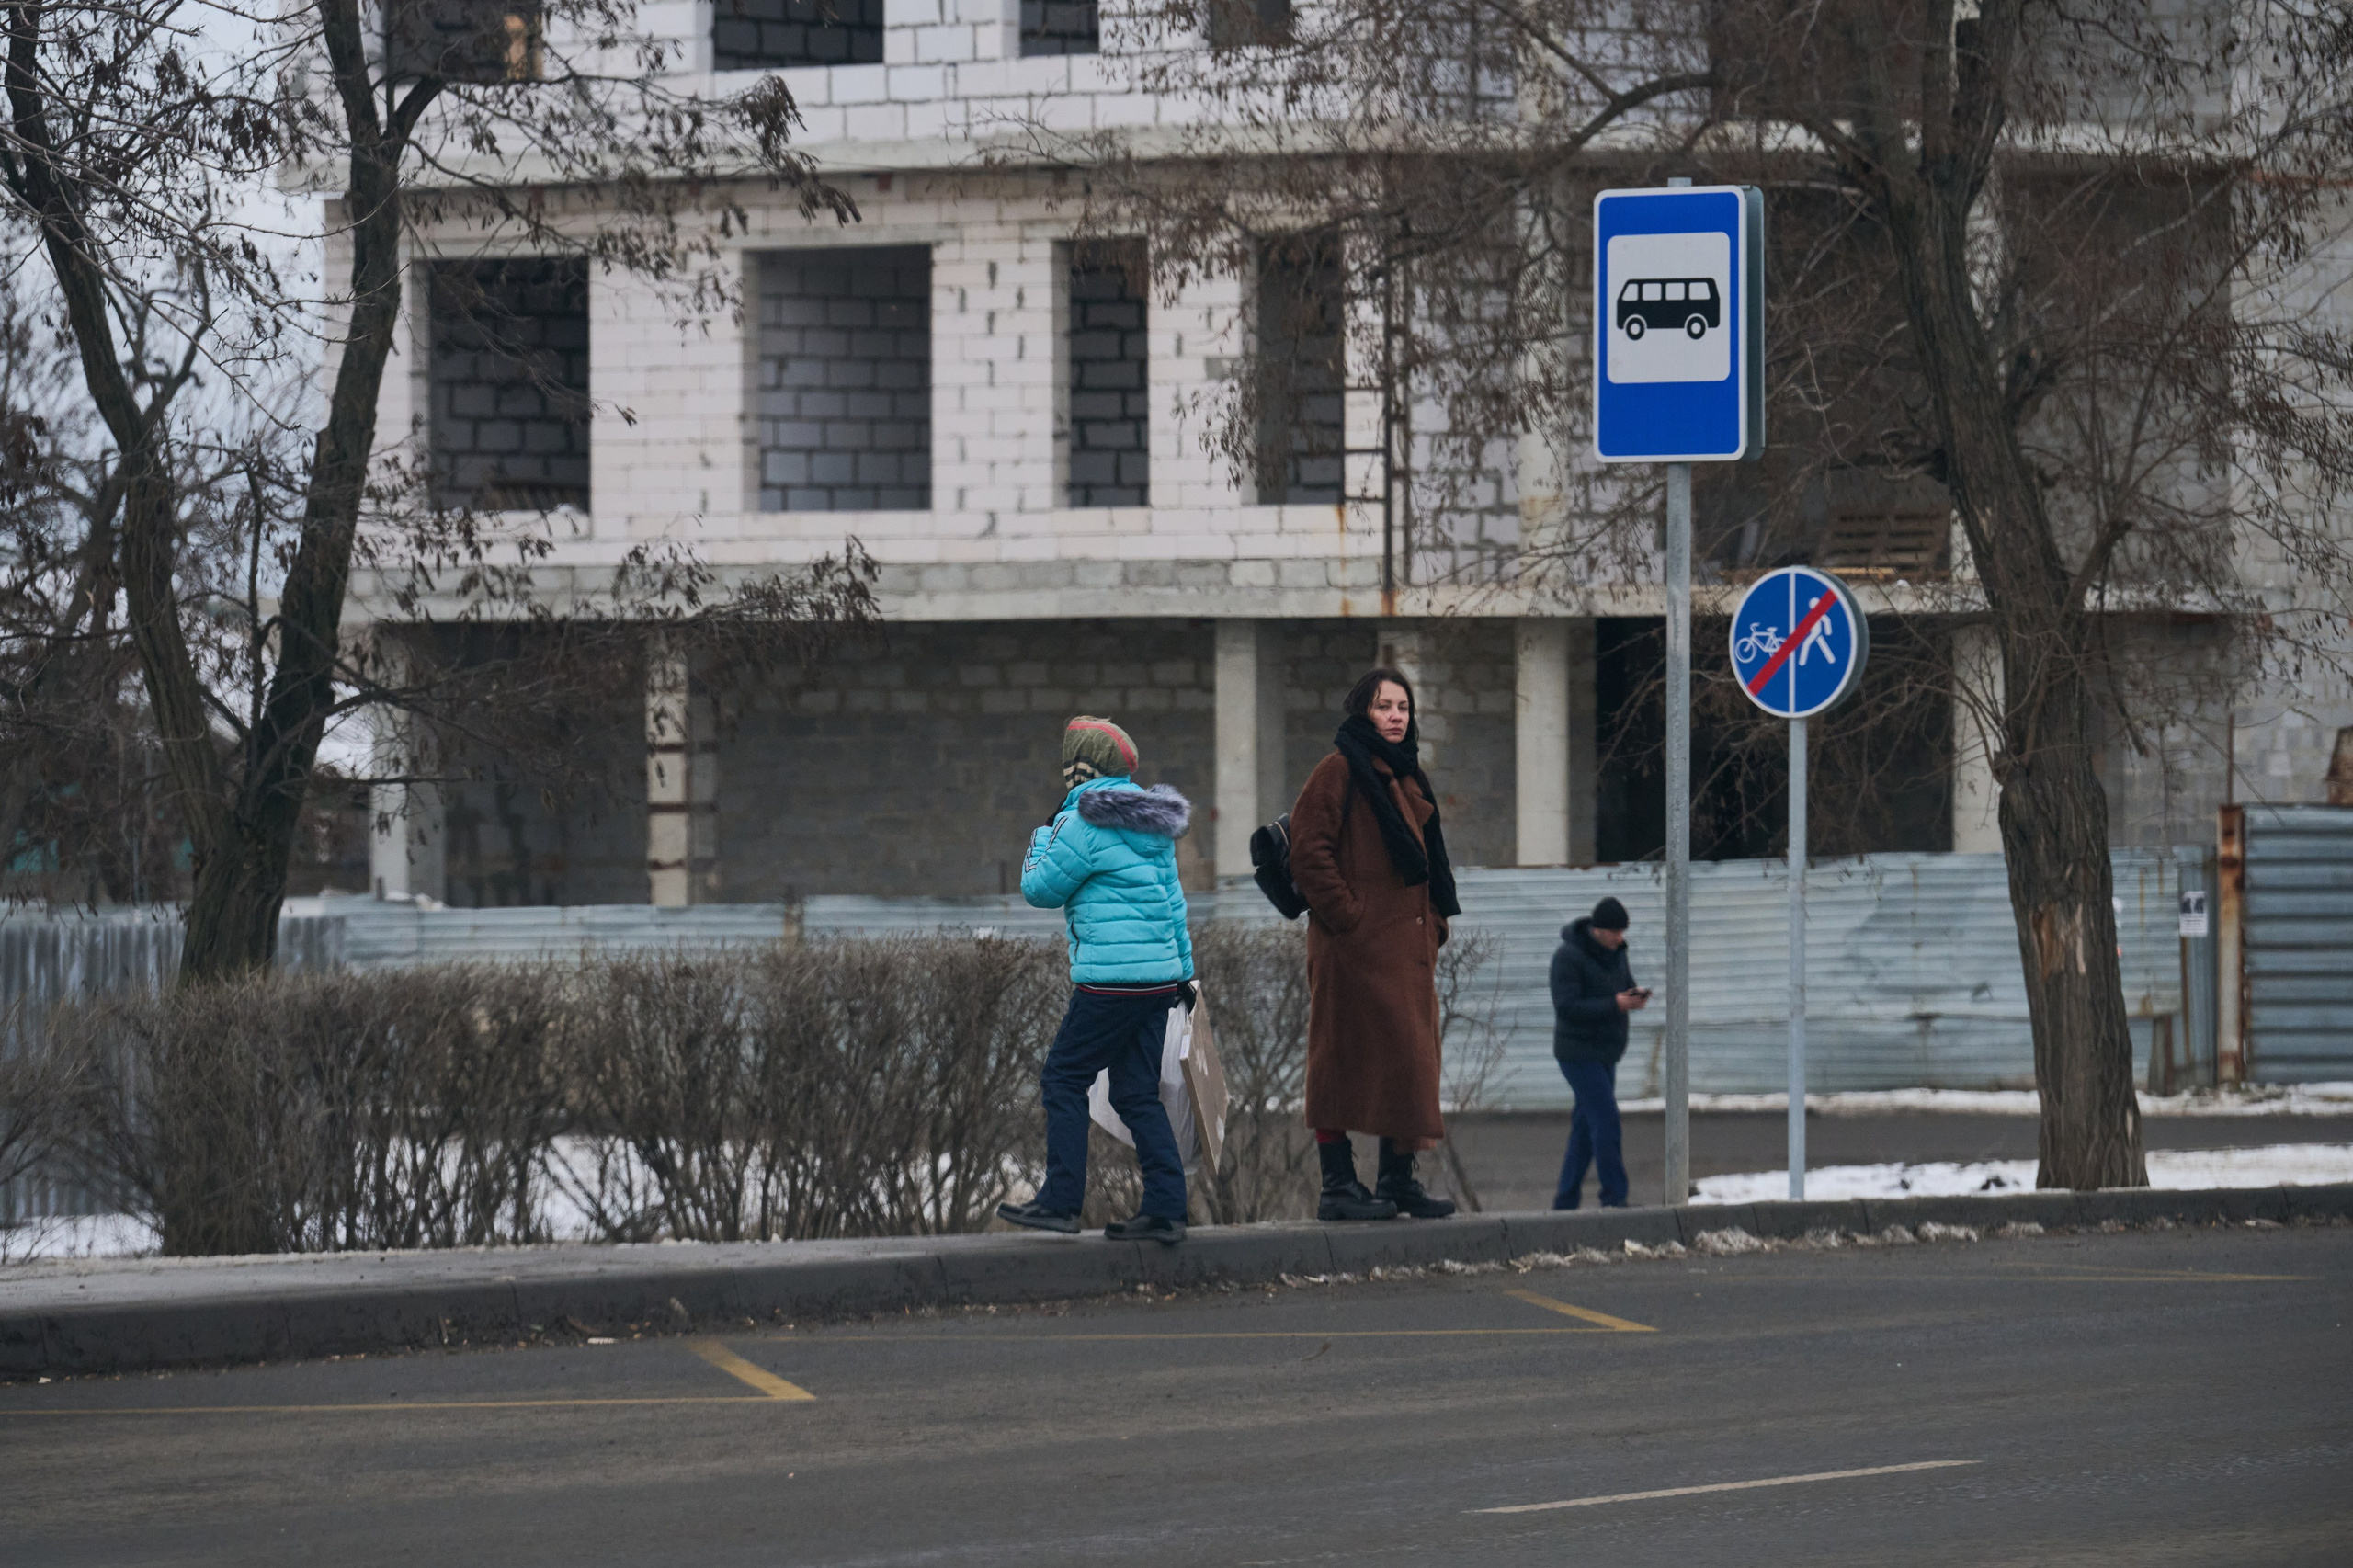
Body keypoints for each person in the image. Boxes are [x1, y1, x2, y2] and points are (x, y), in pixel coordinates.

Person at [997, 716, 1196, 1245]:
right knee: (1136, 1094)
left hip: (1108, 983)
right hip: (1157, 983)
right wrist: (1185, 975)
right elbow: (1174, 908)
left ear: (1078, 771)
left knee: (1063, 1079)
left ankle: (1061, 1202)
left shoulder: (1080, 823)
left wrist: (1042, 834)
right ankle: (1166, 1209)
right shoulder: (1156, 826)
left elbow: (1038, 889)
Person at [1287, 667, 1461, 1221]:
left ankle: (1395, 1181)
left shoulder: (1409, 775)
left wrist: (1434, 924)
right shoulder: (1339, 769)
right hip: (1353, 952)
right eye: (1384, 706)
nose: (1395, 716)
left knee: (1406, 1067)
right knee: (1340, 1064)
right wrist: (1349, 919)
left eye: (1403, 708)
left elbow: (1428, 863)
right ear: (1363, 711)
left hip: (1405, 952)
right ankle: (1338, 1185)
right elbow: (1308, 852)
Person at [1550, 896, 1647, 1209]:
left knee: (1584, 1130)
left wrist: (1633, 997)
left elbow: (1624, 985)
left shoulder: (1618, 955)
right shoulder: (1568, 957)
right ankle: (1615, 1198)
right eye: (1614, 932)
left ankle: (1565, 1203)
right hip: (1577, 1053)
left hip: (1607, 1052)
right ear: (1598, 930)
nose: (1620, 938)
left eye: (1622, 932)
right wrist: (1614, 1004)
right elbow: (1566, 1006)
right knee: (1606, 1120)